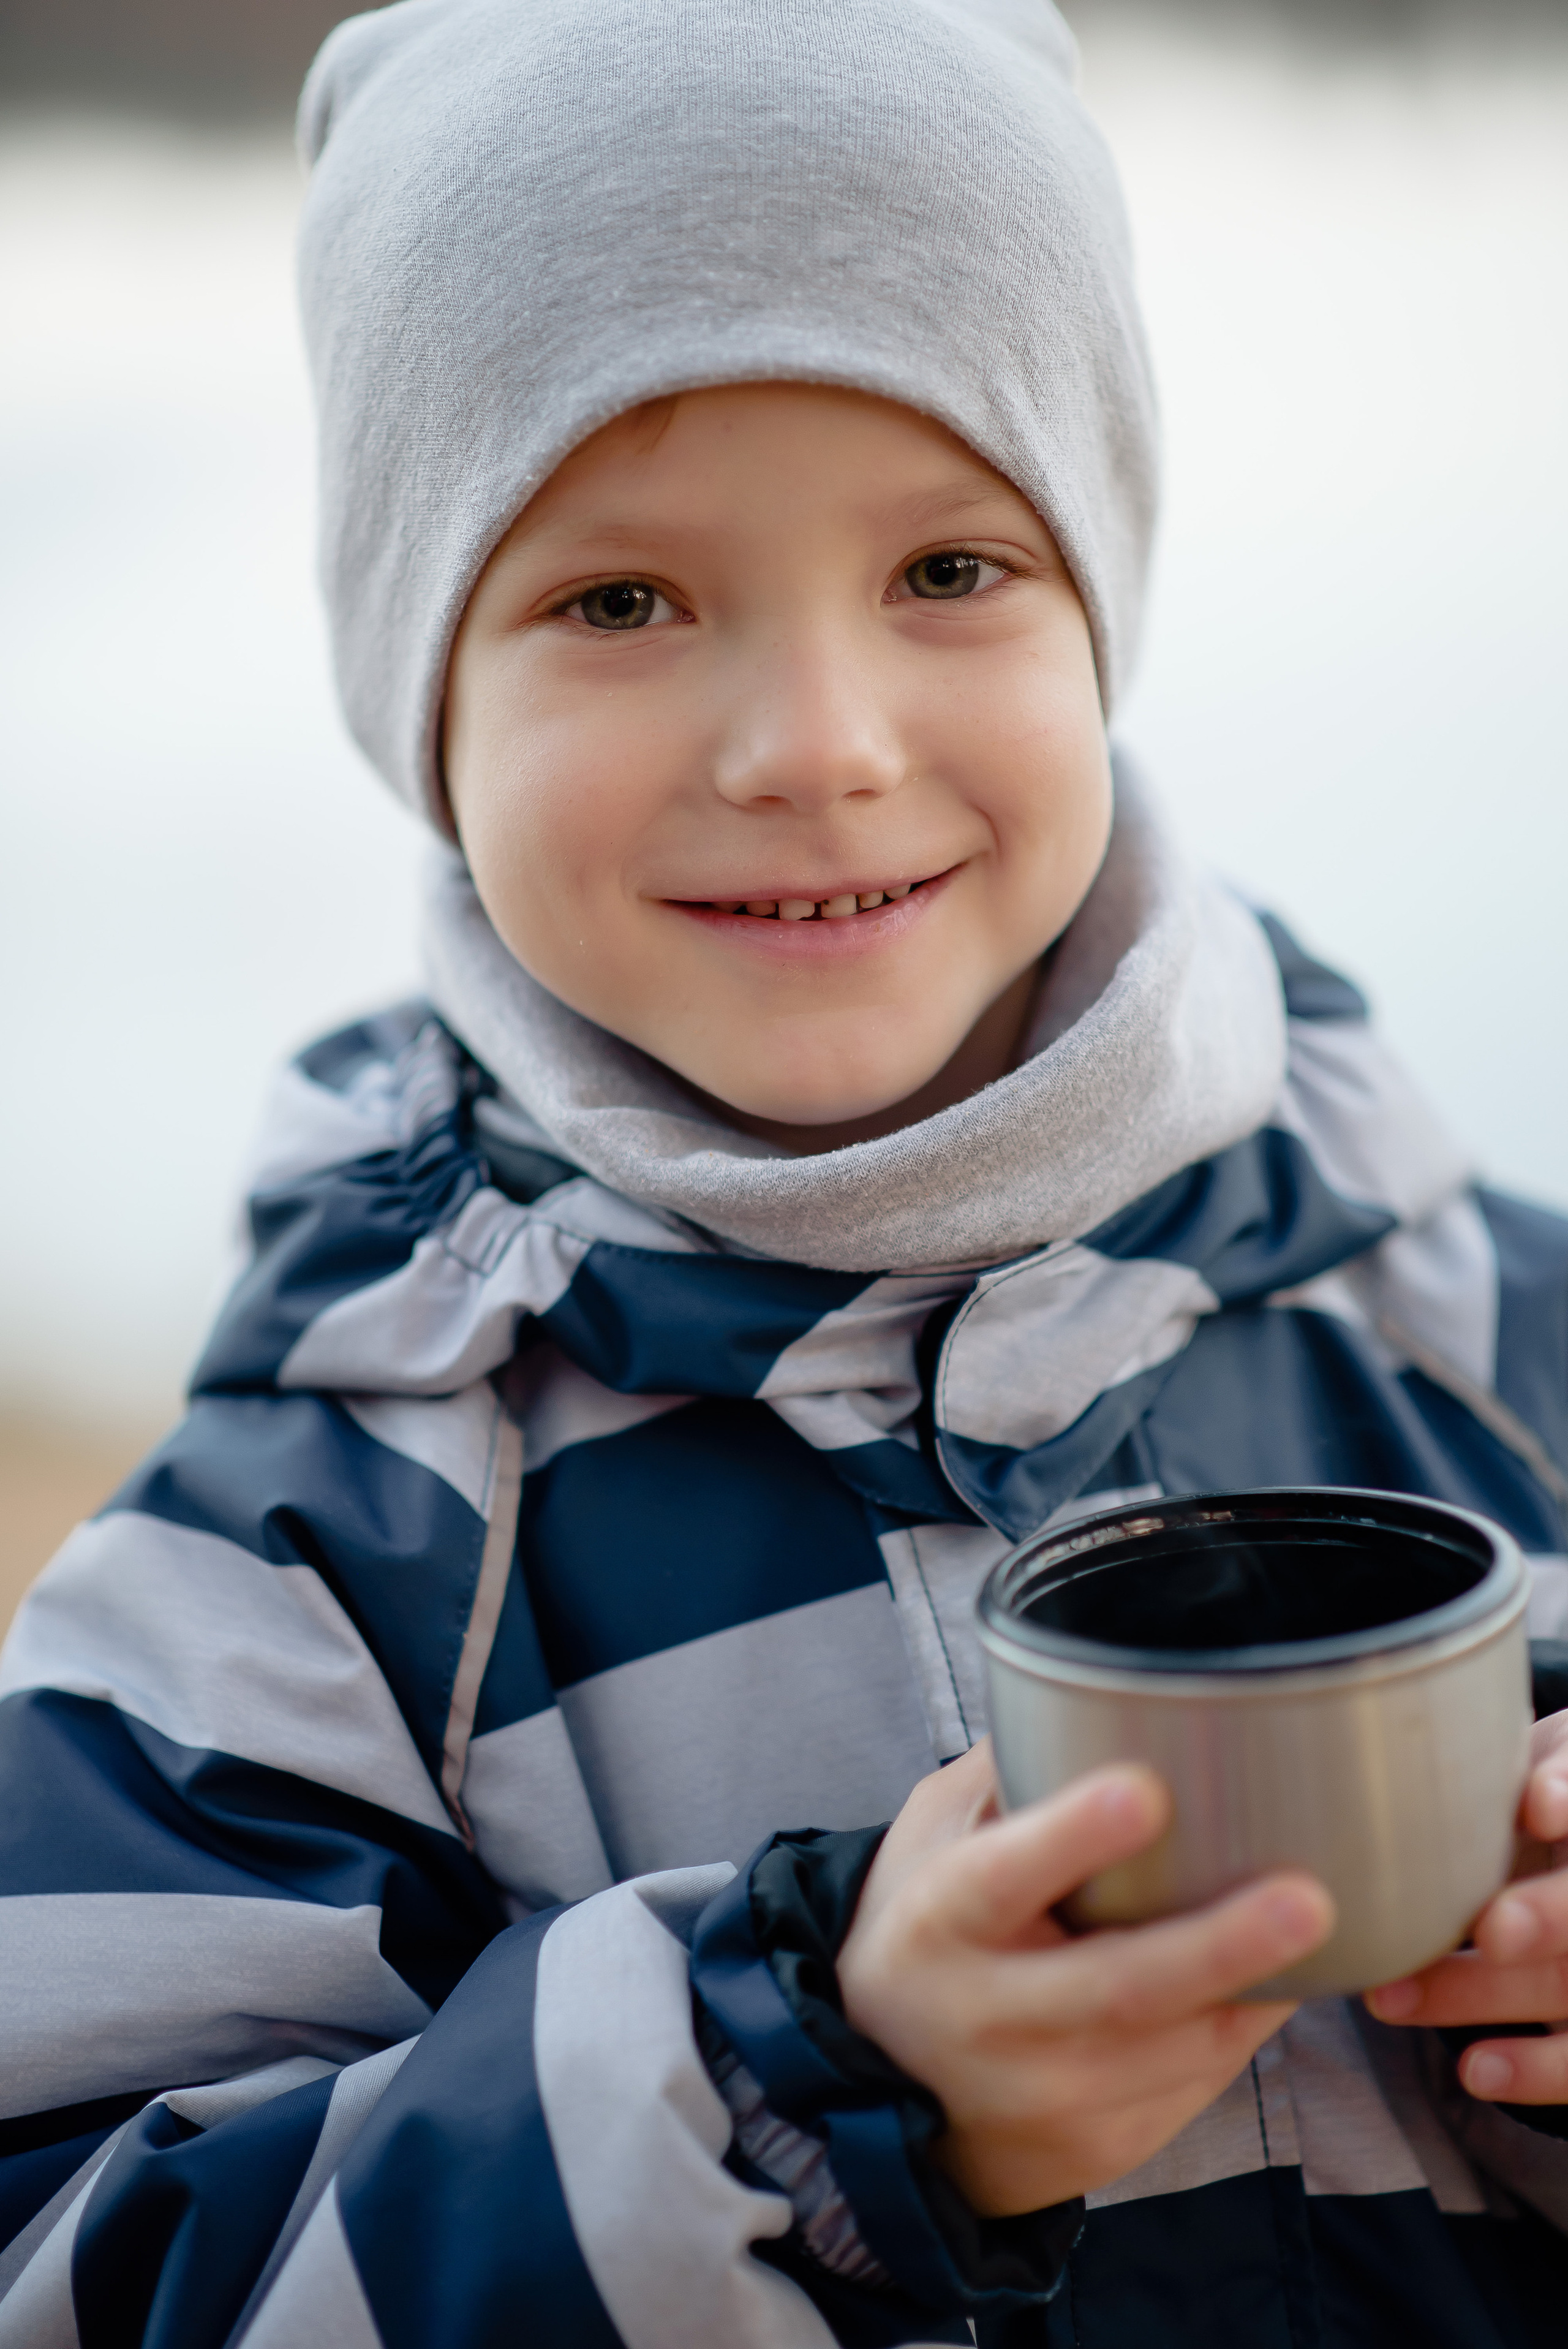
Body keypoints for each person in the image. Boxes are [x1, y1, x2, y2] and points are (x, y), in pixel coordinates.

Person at [2, 0, 1567, 2340]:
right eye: (617, 601)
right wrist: (804, 2089)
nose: (818, 747)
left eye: (949, 568)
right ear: (426, 704)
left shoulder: (1486, 1324)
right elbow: (82, 2278)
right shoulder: (299, 1572)